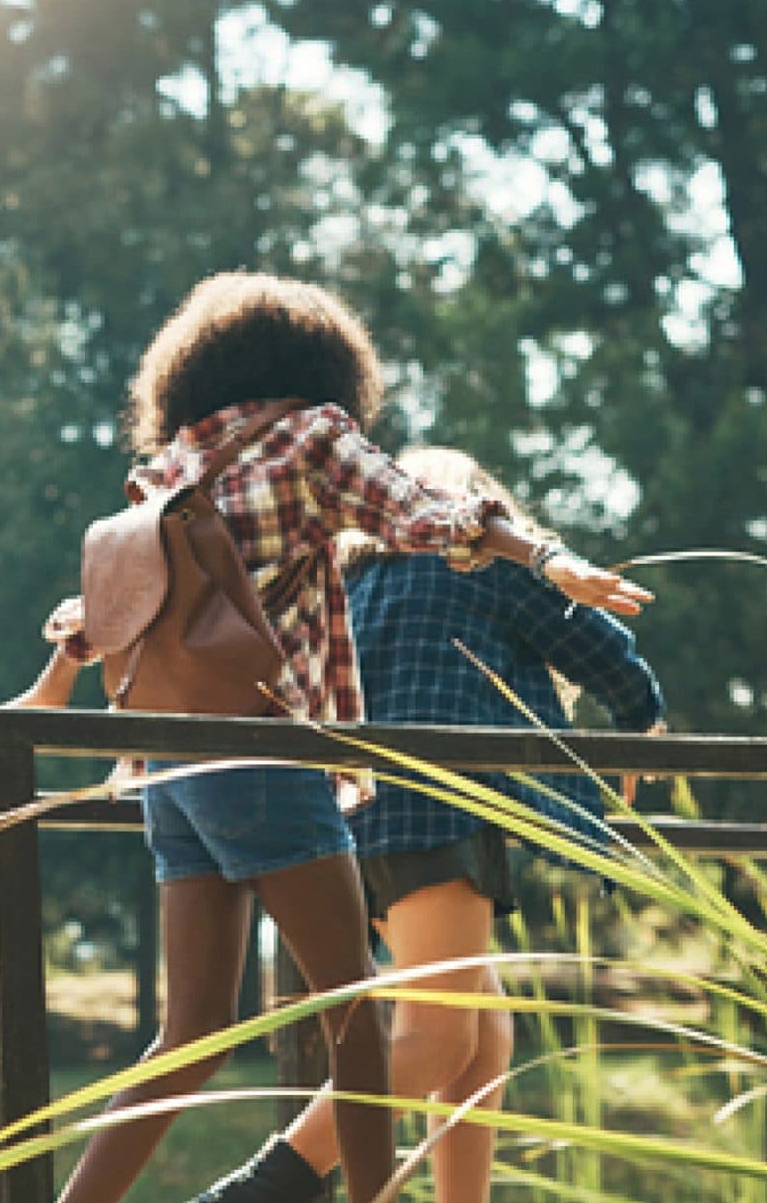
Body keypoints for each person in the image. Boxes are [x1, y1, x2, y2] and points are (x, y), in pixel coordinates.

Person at [9, 272, 651, 1203]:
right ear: (324, 364)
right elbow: (432, 512)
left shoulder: (175, 466)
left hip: (169, 768)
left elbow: (108, 613)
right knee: (354, 1014)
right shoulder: (312, 438)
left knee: (187, 1030)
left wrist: (50, 683)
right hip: (264, 757)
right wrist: (547, 557)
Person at [187, 447, 666, 1203]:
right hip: (434, 813)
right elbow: (594, 640)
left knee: (484, 1033)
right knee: (436, 1039)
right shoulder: (487, 557)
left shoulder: (350, 579)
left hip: (347, 823)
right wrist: (642, 715)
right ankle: (257, 1191)